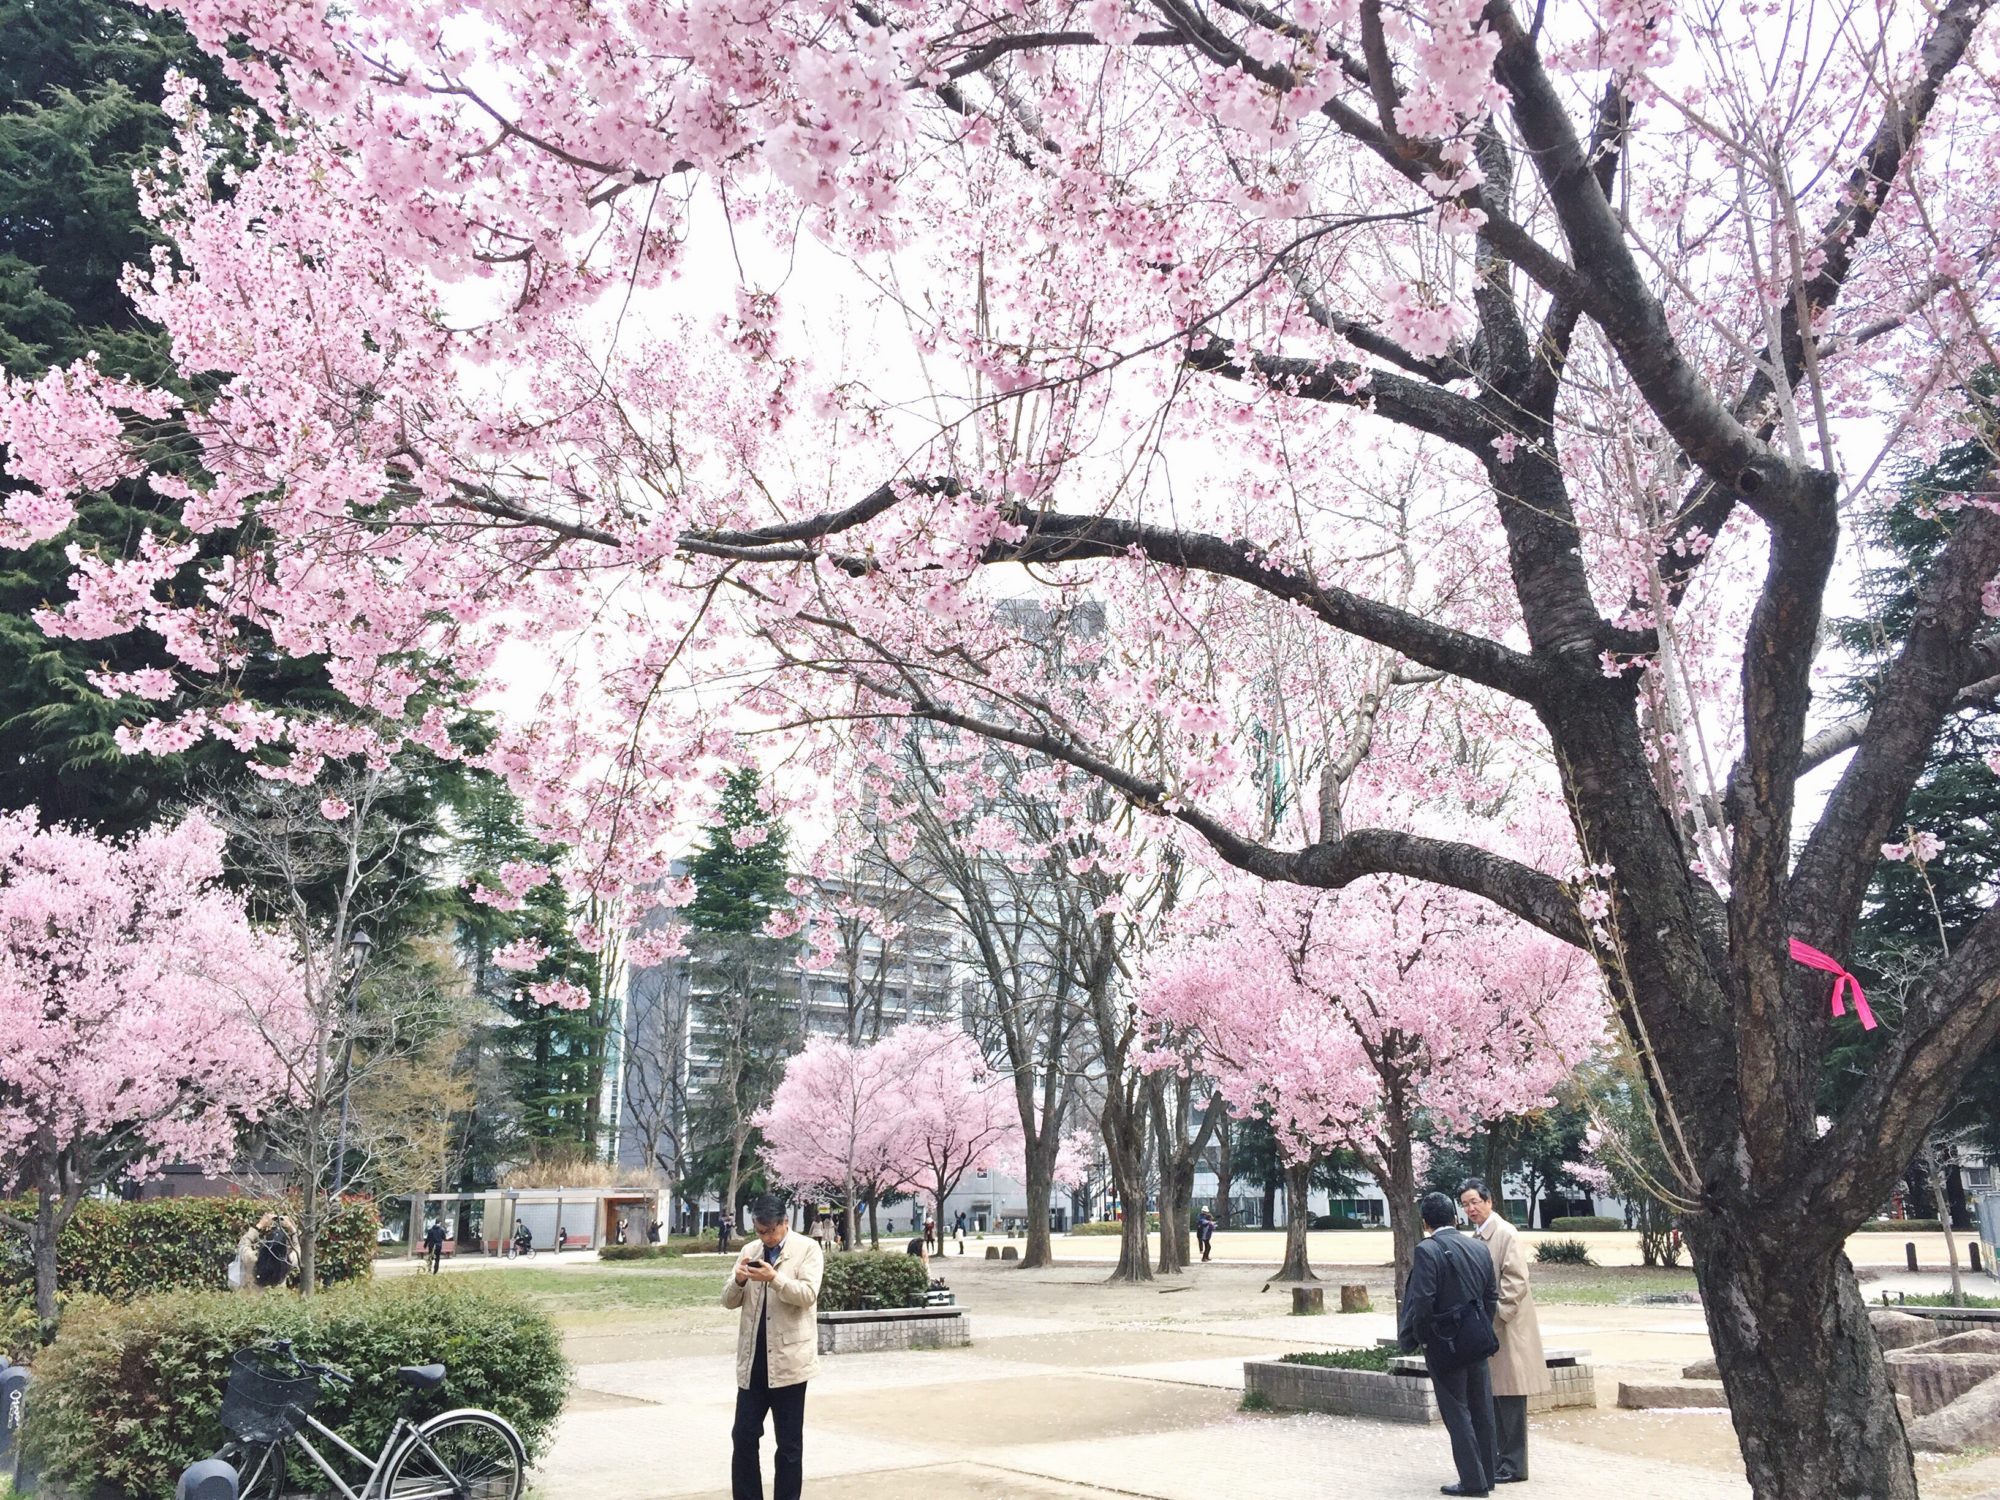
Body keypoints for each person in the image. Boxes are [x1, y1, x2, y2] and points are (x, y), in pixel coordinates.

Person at [722, 1194, 824, 1500]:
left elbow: (807, 1295)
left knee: (789, 1445)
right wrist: (739, 1280)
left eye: (772, 1231)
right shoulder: (750, 1250)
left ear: (785, 1223)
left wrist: (775, 1278)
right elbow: (727, 1301)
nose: (767, 1238)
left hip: (790, 1363)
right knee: (743, 1436)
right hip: (753, 1362)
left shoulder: (807, 1249)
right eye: (761, 1231)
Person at [1399, 1191, 1500, 1497]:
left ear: (1425, 1222)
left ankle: (1473, 1482)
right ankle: (1488, 1476)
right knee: (1482, 1409)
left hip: (1445, 1345)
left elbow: (1423, 1301)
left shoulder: (1427, 1250)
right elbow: (1491, 1295)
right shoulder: (1478, 1247)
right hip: (1477, 1340)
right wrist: (1480, 1327)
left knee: (1457, 1412)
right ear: (1455, 1217)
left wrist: (1424, 1338)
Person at [1461, 1179, 1547, 1485]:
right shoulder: (1478, 1237)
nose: (1471, 1209)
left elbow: (1515, 1281)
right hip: (1490, 1329)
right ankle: (1500, 1460)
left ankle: (1514, 1464)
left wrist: (1496, 1316)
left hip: (1508, 1329)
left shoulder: (1505, 1233)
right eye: (1465, 1204)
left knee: (1510, 1396)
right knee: (1495, 1395)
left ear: (1489, 1201)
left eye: (1475, 1202)